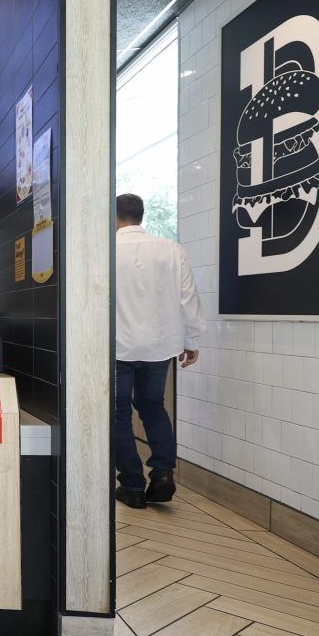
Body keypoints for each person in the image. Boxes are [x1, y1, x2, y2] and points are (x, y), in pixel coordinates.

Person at [114, 193, 203, 509]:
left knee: (118, 413)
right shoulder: (171, 250)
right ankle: (163, 472)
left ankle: (133, 486)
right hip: (160, 345)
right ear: (142, 216)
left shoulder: (107, 250)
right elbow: (188, 298)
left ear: (115, 217)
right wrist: (191, 341)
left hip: (117, 347)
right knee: (153, 406)